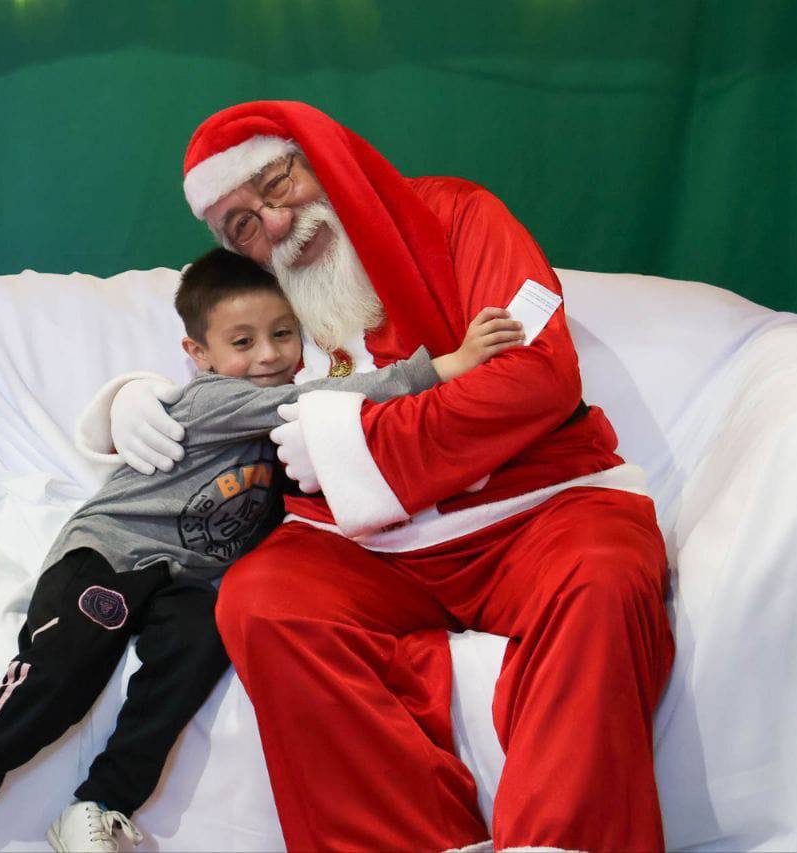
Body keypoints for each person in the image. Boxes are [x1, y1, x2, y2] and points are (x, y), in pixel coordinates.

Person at [95, 101, 676, 852]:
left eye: (276, 183)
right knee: (263, 600)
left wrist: (355, 441)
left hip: (535, 504)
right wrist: (133, 398)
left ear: (321, 155)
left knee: (605, 574)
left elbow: (537, 375)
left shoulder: (459, 215)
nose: (277, 222)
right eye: (243, 224)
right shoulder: (277, 288)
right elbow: (226, 356)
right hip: (365, 543)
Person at [0, 247, 522, 853]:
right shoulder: (220, 400)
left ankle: (100, 803)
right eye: (242, 343)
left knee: (197, 651)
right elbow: (311, 401)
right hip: (113, 556)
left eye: (283, 334)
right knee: (59, 677)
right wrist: (441, 368)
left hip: (187, 580)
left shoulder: (284, 425)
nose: (268, 355)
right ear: (199, 354)